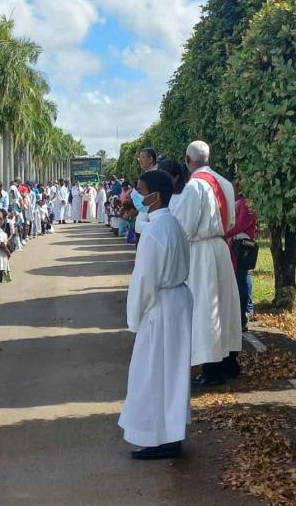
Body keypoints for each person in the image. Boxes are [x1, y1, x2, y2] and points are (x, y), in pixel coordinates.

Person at [119, 170, 193, 460]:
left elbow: (144, 280)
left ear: (155, 196)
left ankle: (159, 436)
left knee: (152, 373)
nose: (135, 195)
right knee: (172, 373)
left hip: (160, 306)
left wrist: (135, 317)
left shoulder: (154, 233)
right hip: (177, 300)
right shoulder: (172, 224)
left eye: (140, 190)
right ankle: (171, 434)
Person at [171, 141, 242, 386]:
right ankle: (229, 362)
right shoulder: (224, 183)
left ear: (188, 161)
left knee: (205, 309)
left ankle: (212, 369)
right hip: (221, 246)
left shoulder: (195, 186)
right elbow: (231, 220)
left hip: (201, 250)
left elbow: (185, 226)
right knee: (224, 307)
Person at [226, 177, 258, 332]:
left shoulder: (245, 204)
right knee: (239, 280)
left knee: (241, 281)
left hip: (241, 247)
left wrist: (224, 232)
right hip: (235, 246)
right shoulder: (240, 203)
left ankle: (243, 316)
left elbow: (239, 225)